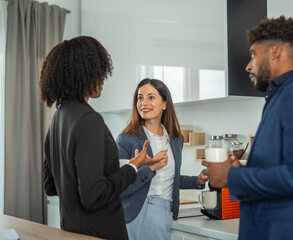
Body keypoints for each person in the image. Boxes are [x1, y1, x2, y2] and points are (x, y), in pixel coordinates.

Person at [202, 16, 293, 240]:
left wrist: (232, 176)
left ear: (275, 51)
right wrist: (239, 171)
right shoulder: (279, 98)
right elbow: (278, 176)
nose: (249, 65)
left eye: (253, 54)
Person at [41, 36, 161, 240]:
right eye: (98, 70)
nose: (103, 77)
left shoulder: (57, 120)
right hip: (100, 233)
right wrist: (133, 167)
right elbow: (94, 196)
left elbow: (50, 186)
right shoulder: (89, 120)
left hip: (71, 232)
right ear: (83, 74)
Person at [116, 78, 208, 240]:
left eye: (151, 97)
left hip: (163, 211)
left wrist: (197, 181)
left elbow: (170, 178)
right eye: (140, 98)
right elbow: (119, 187)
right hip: (133, 213)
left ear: (165, 104)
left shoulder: (175, 139)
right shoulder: (126, 139)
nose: (143, 103)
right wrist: (150, 168)